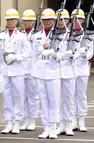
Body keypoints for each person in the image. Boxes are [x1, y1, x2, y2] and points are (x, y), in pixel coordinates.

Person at [0, 9, 31, 134]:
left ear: (17, 21)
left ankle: (17, 122)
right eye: (8, 19)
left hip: (17, 70)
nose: (10, 21)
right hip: (5, 71)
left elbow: (28, 52)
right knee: (7, 97)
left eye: (12, 19)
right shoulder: (0, 36)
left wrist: (16, 57)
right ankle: (9, 121)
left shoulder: (22, 36)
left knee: (18, 96)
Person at [31, 8, 61, 139]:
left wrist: (55, 54)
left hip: (53, 70)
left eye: (49, 19)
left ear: (54, 20)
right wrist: (33, 73)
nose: (47, 22)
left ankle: (53, 127)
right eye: (44, 19)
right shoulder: (36, 35)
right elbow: (33, 56)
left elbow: (64, 54)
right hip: (40, 71)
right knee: (43, 101)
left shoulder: (60, 35)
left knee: (53, 101)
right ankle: (46, 127)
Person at [71, 8, 93, 132]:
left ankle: (81, 120)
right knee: (70, 96)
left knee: (81, 95)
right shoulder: (68, 33)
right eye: (74, 18)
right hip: (69, 69)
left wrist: (85, 54)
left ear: (84, 20)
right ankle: (73, 119)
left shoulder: (89, 35)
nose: (76, 21)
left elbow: (91, 53)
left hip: (82, 68)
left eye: (79, 18)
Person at [55, 9, 75, 136]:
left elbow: (78, 51)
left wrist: (71, 54)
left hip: (68, 70)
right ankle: (60, 124)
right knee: (57, 99)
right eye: (59, 19)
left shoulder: (72, 35)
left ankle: (68, 124)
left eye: (63, 19)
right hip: (55, 70)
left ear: (67, 20)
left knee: (68, 98)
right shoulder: (52, 34)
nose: (61, 22)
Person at [20, 9, 39, 131]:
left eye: (29, 20)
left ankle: (32, 119)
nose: (27, 23)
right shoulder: (21, 34)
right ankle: (25, 119)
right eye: (25, 20)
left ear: (33, 21)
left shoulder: (37, 35)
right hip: (22, 69)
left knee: (33, 96)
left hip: (32, 69)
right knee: (23, 97)